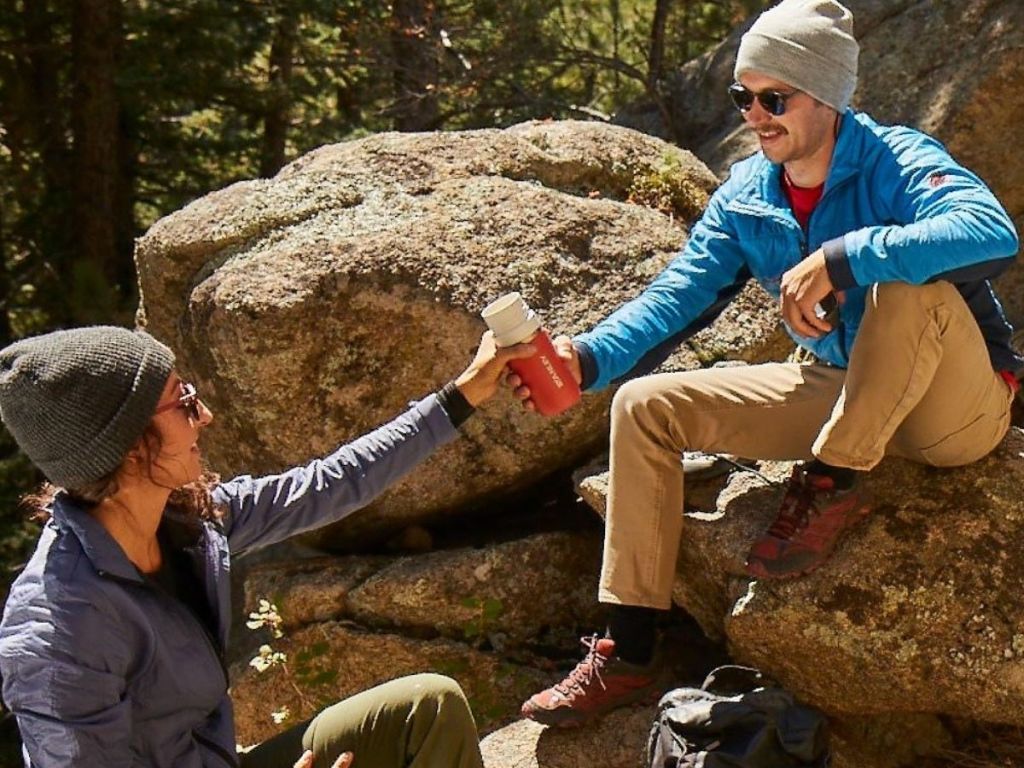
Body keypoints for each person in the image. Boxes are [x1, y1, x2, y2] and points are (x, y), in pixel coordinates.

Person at [516, 0, 1021, 728]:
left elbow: (989, 231)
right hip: (841, 389)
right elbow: (678, 294)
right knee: (644, 407)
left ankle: (831, 483)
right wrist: (586, 358)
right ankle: (625, 648)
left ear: (828, 94)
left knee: (907, 286)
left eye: (773, 98)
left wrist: (844, 257)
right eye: (741, 96)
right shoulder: (747, 196)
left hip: (953, 412)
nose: (754, 114)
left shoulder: (898, 159)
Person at [0, 323, 534, 767]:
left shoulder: (185, 518)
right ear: (128, 445)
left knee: (426, 708)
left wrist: (462, 396)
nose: (205, 415)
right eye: (183, 402)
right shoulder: (59, 625)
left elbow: (330, 484)